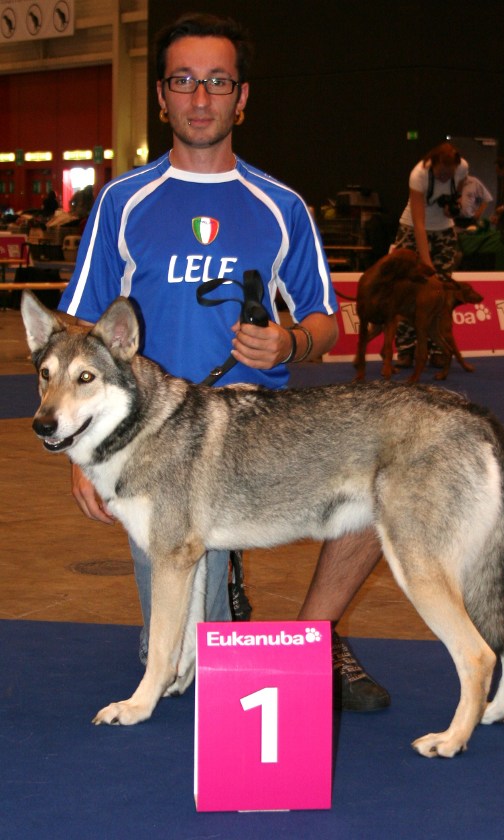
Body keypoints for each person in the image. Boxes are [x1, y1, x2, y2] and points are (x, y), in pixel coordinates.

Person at [58, 12, 389, 713]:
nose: (200, 98)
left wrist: (290, 344)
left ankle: (312, 635)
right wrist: (82, 455)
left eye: (217, 82)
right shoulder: (122, 202)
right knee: (176, 667)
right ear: (161, 95)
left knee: (384, 467)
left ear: (242, 97)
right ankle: (219, 603)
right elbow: (81, 335)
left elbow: (327, 321)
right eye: (184, 81)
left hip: (260, 423)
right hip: (152, 438)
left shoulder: (281, 206)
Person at [391, 142, 468, 367]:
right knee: (407, 288)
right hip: (413, 229)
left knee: (441, 291)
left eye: (449, 173)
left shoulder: (462, 167)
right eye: (442, 173)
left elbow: (460, 189)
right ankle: (406, 349)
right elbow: (419, 223)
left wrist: (453, 202)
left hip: (444, 230)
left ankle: (438, 348)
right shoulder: (419, 175)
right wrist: (426, 264)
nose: (445, 177)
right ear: (433, 165)